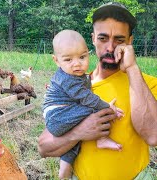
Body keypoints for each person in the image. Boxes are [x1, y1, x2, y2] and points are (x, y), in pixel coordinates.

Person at [38, 2, 157, 180]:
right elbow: (44, 147)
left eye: (119, 40)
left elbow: (153, 135)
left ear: (130, 42)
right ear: (93, 39)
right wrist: (79, 132)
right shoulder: (77, 85)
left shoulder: (146, 84)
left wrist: (132, 68)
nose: (110, 47)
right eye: (103, 38)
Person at [43, 29, 124, 179]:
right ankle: (102, 139)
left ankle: (64, 171)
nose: (77, 64)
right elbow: (86, 98)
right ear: (56, 60)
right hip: (57, 117)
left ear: (88, 53)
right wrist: (108, 107)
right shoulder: (67, 78)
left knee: (78, 140)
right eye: (68, 60)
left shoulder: (78, 75)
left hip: (63, 115)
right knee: (93, 107)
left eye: (82, 57)